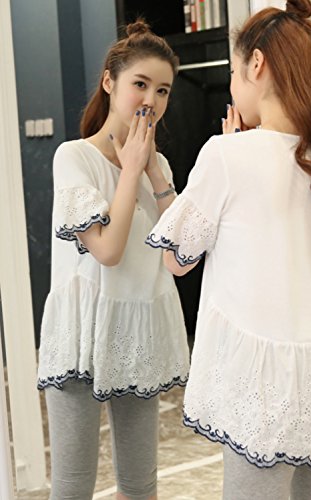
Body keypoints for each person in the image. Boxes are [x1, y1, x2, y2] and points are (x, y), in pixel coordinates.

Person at [146, 1, 311, 499]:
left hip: (259, 386)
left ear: (256, 64)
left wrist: (215, 161)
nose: (232, 84)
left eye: (233, 71)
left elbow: (177, 259)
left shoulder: (225, 155)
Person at [37, 19, 190, 500]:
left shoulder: (157, 167)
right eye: (140, 84)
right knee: (73, 486)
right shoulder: (74, 157)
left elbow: (181, 257)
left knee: (141, 487)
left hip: (136, 335)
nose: (151, 100)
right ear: (109, 82)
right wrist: (131, 170)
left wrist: (154, 174)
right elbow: (106, 250)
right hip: (81, 335)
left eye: (162, 90)